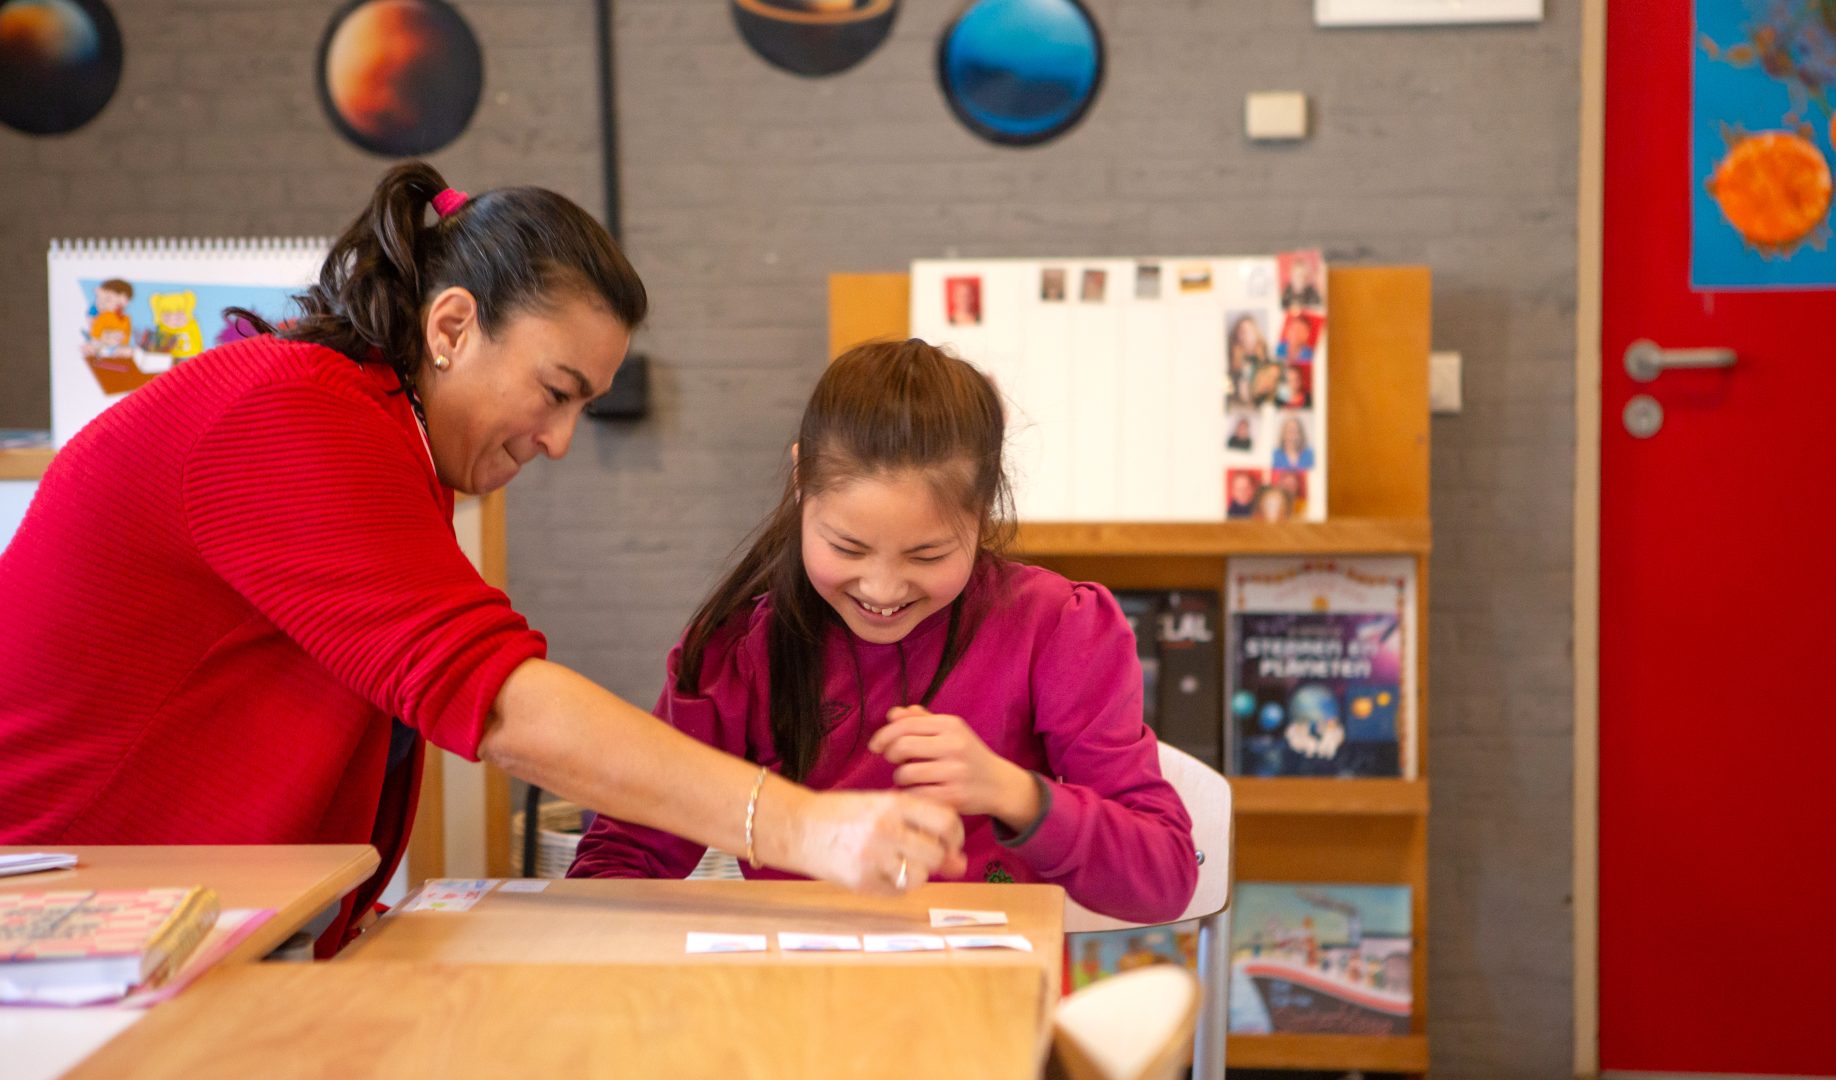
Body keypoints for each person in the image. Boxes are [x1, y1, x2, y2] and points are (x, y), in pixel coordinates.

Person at [0, 162, 964, 955]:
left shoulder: (368, 433)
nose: (560, 442)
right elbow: (494, 696)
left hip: (161, 912)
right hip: (62, 922)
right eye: (555, 391)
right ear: (452, 327)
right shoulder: (286, 416)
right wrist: (805, 827)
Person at [568, 340, 1197, 925]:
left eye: (926, 556)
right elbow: (624, 856)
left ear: (981, 514)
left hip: (984, 1003)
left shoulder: (1056, 628)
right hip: (794, 1000)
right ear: (800, 483)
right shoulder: (739, 648)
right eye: (848, 547)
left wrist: (1016, 793)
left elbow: (1164, 876)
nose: (883, 589)